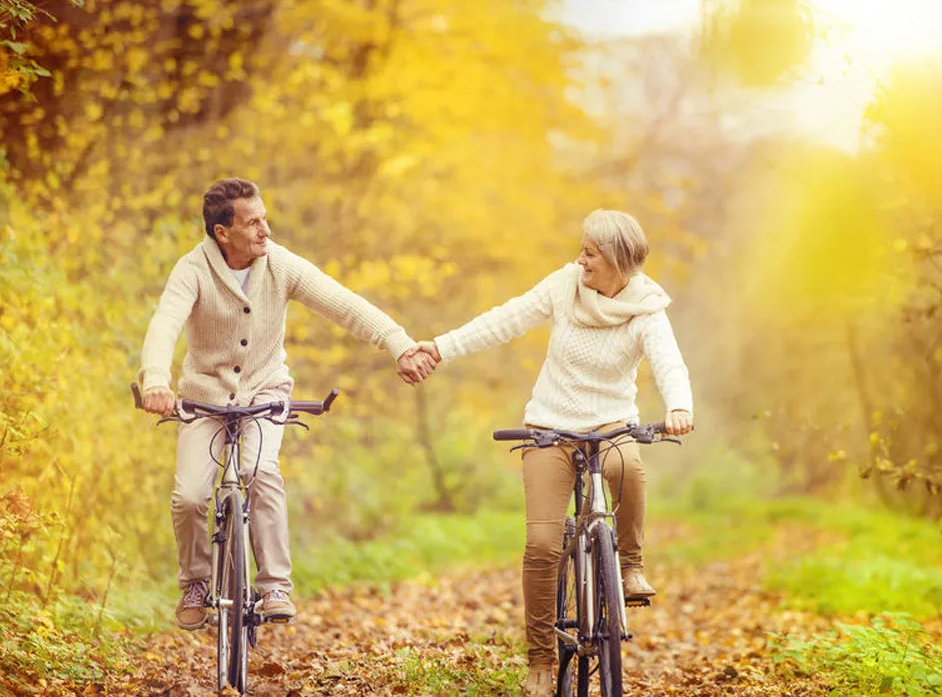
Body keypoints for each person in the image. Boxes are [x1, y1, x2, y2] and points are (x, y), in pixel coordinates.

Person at [409, 210, 694, 697]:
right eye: (581, 250)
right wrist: (440, 346)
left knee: (628, 466)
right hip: (549, 425)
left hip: (610, 423)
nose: (580, 261)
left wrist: (679, 405)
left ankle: (629, 568)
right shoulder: (565, 286)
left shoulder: (646, 307)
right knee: (542, 544)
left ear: (619, 261)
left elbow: (668, 361)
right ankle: (541, 659)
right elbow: (507, 319)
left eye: (590, 254)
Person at [138, 177, 436, 630]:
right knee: (191, 496)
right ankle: (196, 583)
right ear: (223, 233)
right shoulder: (191, 270)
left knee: (260, 472)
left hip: (264, 394)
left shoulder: (280, 265)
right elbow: (165, 325)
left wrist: (400, 344)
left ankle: (275, 583)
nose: (266, 231)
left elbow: (344, 305)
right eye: (254, 222)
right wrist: (156, 379)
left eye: (266, 219)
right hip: (202, 402)